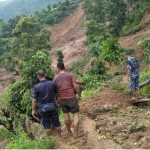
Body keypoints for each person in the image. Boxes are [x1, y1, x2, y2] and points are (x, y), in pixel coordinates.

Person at [54, 63, 81, 137]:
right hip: (71, 97)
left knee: (66, 115)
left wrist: (57, 100)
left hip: (62, 99)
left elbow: (55, 91)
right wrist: (79, 95)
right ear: (64, 67)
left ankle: (69, 132)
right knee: (76, 114)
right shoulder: (70, 75)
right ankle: (75, 133)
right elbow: (75, 86)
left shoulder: (55, 78)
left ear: (58, 68)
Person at [32, 70, 61, 137]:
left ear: (38, 76)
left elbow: (34, 100)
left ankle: (50, 139)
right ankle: (60, 137)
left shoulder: (36, 87)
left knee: (47, 126)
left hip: (43, 108)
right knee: (57, 123)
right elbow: (57, 94)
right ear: (45, 75)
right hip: (53, 106)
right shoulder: (52, 83)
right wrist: (58, 102)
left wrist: (33, 110)